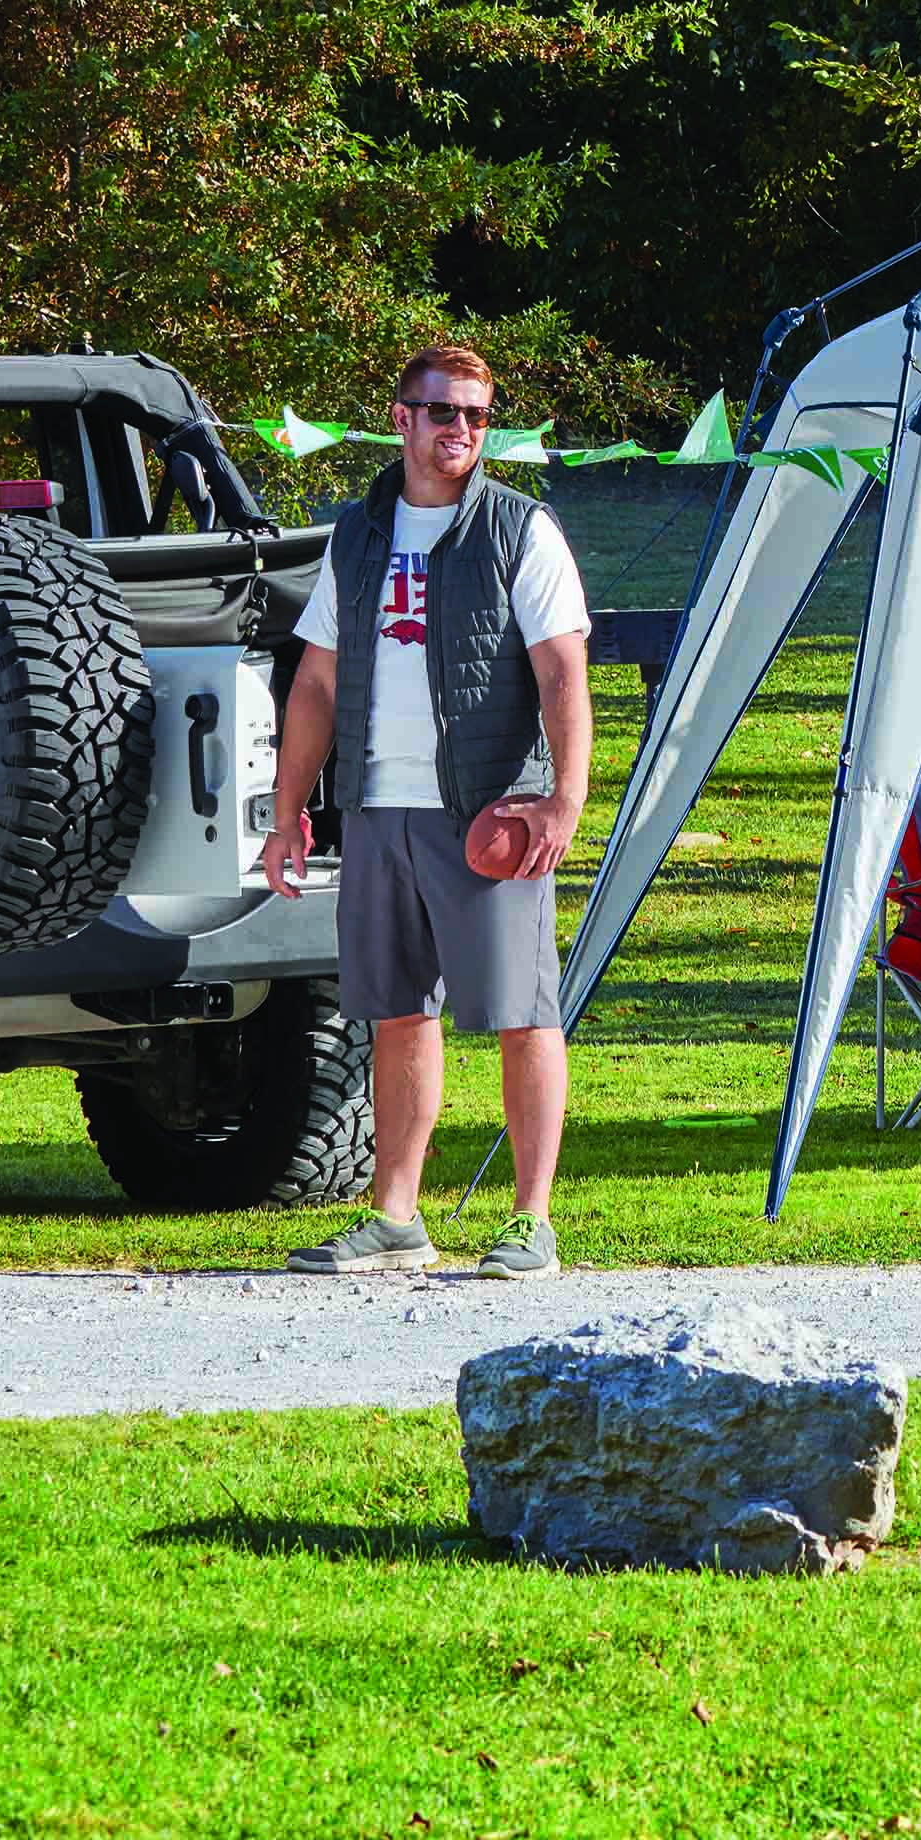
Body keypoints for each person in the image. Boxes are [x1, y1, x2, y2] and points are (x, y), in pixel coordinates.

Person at [265, 343, 592, 1277]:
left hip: (488, 812)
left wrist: (564, 798)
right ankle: (396, 1220)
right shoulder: (358, 532)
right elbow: (316, 682)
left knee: (524, 1013)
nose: (461, 429)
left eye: (478, 416)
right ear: (401, 418)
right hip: (377, 807)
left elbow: (562, 672)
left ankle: (530, 1222)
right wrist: (289, 812)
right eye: (444, 411)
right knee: (396, 1014)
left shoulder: (521, 529)